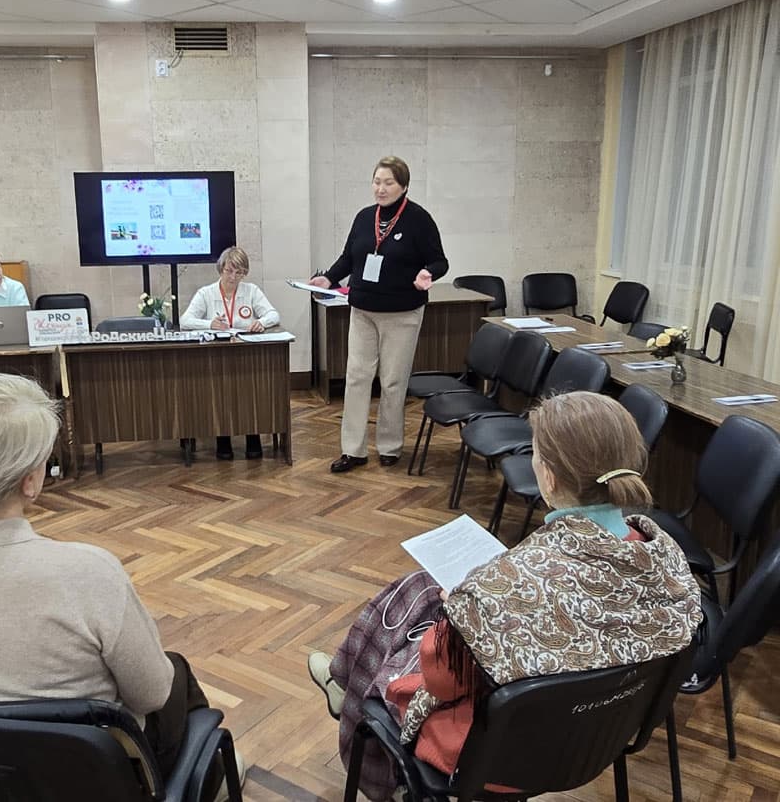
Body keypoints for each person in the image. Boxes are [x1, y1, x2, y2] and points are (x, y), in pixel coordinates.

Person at [306, 391, 703, 800]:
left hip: (496, 758)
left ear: (548, 476)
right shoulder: (668, 561)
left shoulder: (502, 587)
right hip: (598, 741)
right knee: (421, 591)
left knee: (419, 620)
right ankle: (346, 681)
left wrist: (459, 611)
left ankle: (353, 689)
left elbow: (441, 681)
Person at [0, 374, 241, 791]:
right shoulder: (86, 572)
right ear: (30, 480)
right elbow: (151, 697)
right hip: (90, 779)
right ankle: (208, 775)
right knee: (173, 671)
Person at [309, 156, 449, 473]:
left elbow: (440, 261)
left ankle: (389, 445)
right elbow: (349, 258)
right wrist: (329, 278)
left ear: (403, 186)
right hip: (362, 311)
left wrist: (428, 273)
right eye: (376, 181)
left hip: (402, 313)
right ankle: (353, 450)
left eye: (388, 183)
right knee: (357, 378)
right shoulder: (364, 218)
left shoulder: (419, 219)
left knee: (392, 381)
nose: (380, 188)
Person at [180, 246, 281, 460]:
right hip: (217, 357)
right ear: (221, 269)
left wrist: (260, 322)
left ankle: (252, 437)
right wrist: (209, 324)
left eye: (239, 272)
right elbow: (185, 321)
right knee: (220, 393)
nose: (233, 277)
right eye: (229, 271)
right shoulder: (206, 293)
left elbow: (274, 314)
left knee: (250, 393)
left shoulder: (251, 291)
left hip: (246, 355)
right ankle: (222, 439)